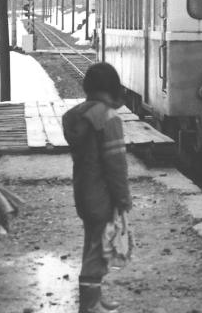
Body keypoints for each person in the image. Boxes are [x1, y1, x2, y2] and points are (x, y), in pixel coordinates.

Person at [62, 62, 132, 313]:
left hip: (83, 191)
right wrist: (123, 199)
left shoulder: (76, 115)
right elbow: (116, 167)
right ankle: (90, 305)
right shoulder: (108, 119)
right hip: (102, 195)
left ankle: (94, 298)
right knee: (97, 250)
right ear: (112, 87)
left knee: (93, 243)